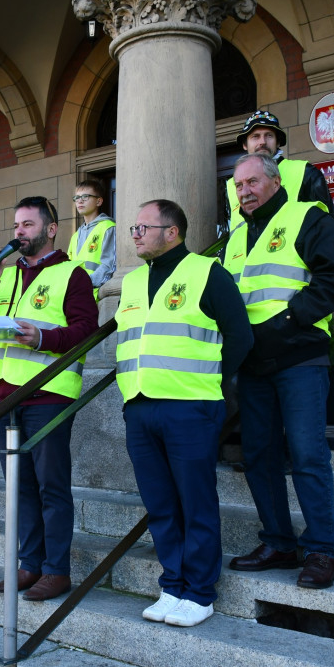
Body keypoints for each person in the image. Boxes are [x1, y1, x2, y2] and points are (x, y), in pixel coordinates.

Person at [223, 153, 334, 589]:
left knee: (307, 454)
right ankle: (278, 542)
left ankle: (321, 550)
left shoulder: (309, 217)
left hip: (299, 357)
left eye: (252, 182)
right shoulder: (237, 236)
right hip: (255, 366)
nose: (244, 191)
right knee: (259, 457)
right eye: (238, 185)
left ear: (275, 182)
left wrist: (286, 321)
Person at [116, 200, 252, 627]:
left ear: (171, 231)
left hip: (190, 407)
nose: (135, 233)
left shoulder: (207, 272)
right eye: (133, 227)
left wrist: (210, 381)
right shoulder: (134, 281)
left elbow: (240, 338)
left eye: (143, 226)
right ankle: (172, 584)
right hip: (139, 408)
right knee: (160, 505)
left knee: (195, 503)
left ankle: (200, 592)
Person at [0, 195, 98, 601]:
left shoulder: (72, 274)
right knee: (18, 487)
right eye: (16, 227)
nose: (19, 233)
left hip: (47, 394)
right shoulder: (5, 275)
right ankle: (29, 565)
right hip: (4, 396)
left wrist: (44, 338)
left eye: (26, 225)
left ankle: (56, 571)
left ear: (50, 229)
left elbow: (86, 331)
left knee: (50, 487)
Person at [225, 109, 334, 225]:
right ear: (244, 144)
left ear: (278, 142)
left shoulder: (304, 172)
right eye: (255, 136)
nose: (262, 142)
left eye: (269, 136)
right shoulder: (231, 186)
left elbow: (326, 228)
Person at [67, 177, 116, 300]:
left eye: (85, 197)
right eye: (77, 198)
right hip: (76, 296)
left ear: (98, 201)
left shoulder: (108, 227)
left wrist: (85, 284)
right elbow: (68, 267)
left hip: (95, 296)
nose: (80, 201)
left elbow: (109, 265)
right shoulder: (75, 235)